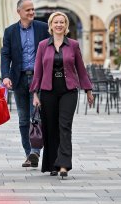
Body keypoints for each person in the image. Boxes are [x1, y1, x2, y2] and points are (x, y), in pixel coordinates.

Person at [30, 11, 94, 177]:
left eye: (62, 22)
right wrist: (35, 94)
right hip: (48, 90)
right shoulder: (43, 45)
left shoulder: (73, 44)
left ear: (66, 26)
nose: (59, 25)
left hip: (68, 90)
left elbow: (80, 68)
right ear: (51, 25)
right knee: (50, 127)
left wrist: (88, 89)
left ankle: (64, 164)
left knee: (64, 126)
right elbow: (38, 71)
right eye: (56, 22)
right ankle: (52, 164)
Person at [1, 0, 50, 168]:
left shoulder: (43, 28)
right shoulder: (10, 32)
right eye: (27, 10)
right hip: (19, 79)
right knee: (23, 119)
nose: (31, 13)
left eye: (33, 10)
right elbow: (5, 55)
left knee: (36, 116)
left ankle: (35, 151)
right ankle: (28, 153)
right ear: (19, 11)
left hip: (39, 79)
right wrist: (5, 75)